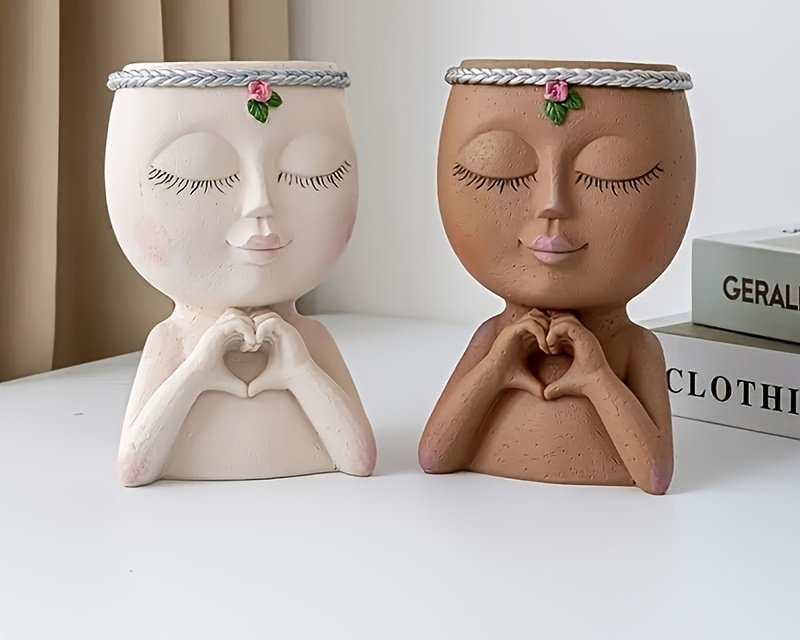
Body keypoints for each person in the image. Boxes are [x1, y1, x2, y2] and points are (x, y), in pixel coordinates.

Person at [419, 60, 695, 494]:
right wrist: (496, 368)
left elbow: (654, 476)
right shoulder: (495, 338)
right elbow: (435, 456)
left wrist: (597, 376)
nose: (552, 204)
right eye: (500, 173)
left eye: (612, 174)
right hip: (486, 512)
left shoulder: (634, 347)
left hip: (614, 526)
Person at [106, 62, 376, 486]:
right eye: (197, 176)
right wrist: (197, 370)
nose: (260, 204)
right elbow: (133, 469)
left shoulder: (308, 339)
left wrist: (300, 372)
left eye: (312, 173)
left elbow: (358, 459)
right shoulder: (172, 341)